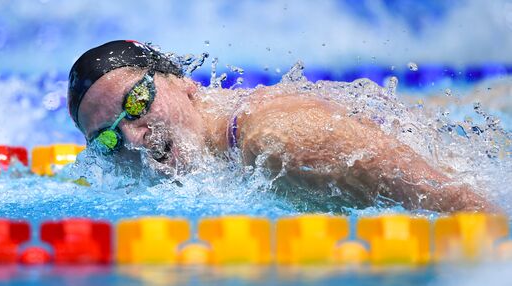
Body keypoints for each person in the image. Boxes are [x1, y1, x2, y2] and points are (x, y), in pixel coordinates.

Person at [67, 40, 494, 213]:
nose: (134, 138)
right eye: (108, 140)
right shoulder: (215, 157)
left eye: (137, 101)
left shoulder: (282, 142)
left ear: (183, 83)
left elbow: (464, 204)